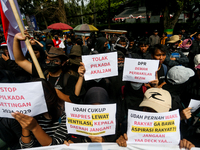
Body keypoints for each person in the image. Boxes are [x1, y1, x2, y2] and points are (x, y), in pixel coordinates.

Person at [13, 31, 85, 104]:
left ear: (63, 63)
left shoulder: (69, 77)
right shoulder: (41, 71)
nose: (50, 63)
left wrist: (53, 91)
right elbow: (20, 60)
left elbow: (72, 100)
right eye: (48, 60)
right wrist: (16, 39)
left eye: (55, 61)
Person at [116, 88, 195, 150]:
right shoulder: (128, 126)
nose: (151, 115)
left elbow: (177, 144)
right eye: (147, 109)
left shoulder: (174, 132)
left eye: (157, 112)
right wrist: (120, 141)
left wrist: (185, 145)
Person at [11, 79, 70, 148]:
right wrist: (25, 124)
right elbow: (26, 147)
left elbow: (54, 146)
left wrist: (35, 127)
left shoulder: (65, 113)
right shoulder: (33, 114)